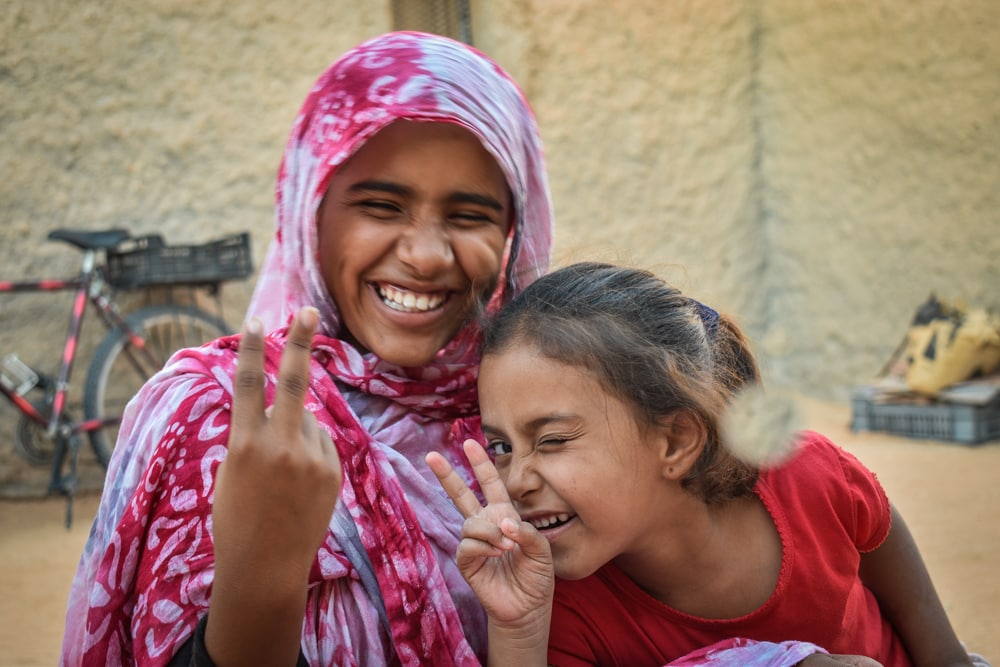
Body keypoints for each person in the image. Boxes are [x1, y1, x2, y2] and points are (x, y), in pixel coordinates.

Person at [60, 31, 554, 666]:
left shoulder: (530, 416)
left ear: (514, 229)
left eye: (469, 216)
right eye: (381, 205)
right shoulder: (212, 416)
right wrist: (265, 566)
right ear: (310, 214)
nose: (427, 255)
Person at [428, 262, 989, 667]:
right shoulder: (567, 610)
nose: (516, 480)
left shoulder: (802, 472)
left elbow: (877, 532)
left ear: (674, 441)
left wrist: (948, 659)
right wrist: (517, 627)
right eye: (500, 446)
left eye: (551, 440)